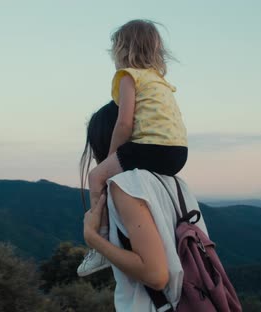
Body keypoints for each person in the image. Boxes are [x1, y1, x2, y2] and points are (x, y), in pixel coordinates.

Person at [78, 19, 189, 276]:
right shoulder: (160, 82)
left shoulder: (128, 77)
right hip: (178, 153)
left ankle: (100, 239)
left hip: (151, 147)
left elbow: (124, 123)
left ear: (123, 50)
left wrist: (110, 158)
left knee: (97, 177)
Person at [80, 101, 208, 311]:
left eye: (94, 146)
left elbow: (156, 275)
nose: (94, 156)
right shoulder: (174, 182)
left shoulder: (125, 186)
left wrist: (93, 237)